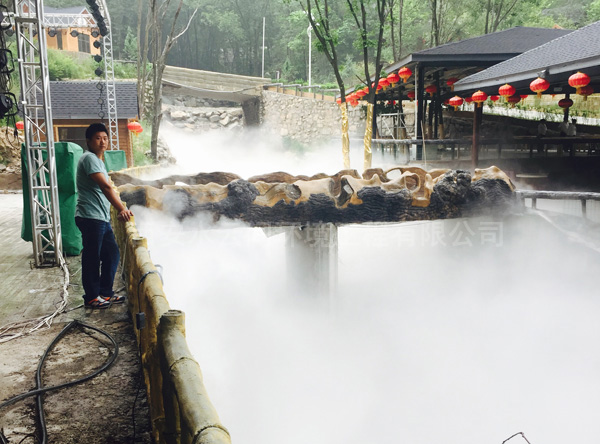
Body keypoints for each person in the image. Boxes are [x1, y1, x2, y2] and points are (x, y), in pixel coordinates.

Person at [75, 123, 133, 309]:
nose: (103, 142)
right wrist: (121, 209)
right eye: (98, 138)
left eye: (105, 138)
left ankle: (105, 293)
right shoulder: (89, 158)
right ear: (89, 141)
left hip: (100, 217)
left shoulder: (98, 161)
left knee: (111, 253)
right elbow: (106, 186)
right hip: (90, 216)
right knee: (92, 257)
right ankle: (92, 297)